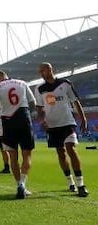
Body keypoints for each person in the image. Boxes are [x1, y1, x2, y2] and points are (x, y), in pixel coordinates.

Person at [35, 62, 89, 197]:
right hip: (52, 125)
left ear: (50, 69)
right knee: (61, 153)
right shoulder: (39, 89)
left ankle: (81, 185)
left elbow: (75, 101)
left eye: (43, 70)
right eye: (40, 71)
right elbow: (39, 108)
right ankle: (70, 182)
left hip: (67, 122)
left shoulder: (65, 84)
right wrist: (42, 121)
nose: (42, 73)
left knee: (71, 148)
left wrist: (83, 118)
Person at [0, 70, 36, 199]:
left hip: (7, 121)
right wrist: (27, 113)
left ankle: (18, 185)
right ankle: (22, 183)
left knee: (13, 155)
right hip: (23, 117)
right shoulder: (22, 83)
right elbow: (32, 102)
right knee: (27, 153)